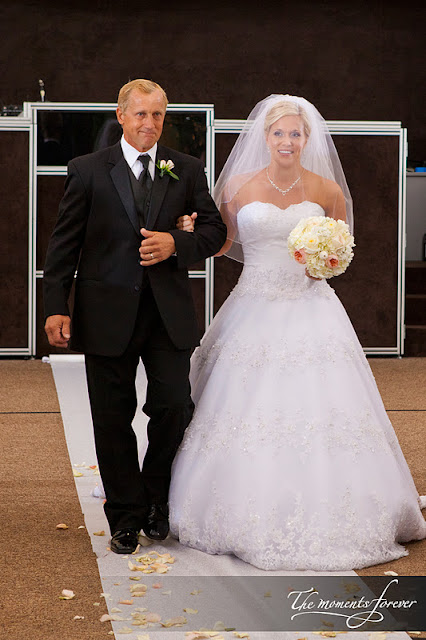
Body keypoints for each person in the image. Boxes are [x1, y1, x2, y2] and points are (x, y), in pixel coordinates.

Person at [169, 94, 426, 571]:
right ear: (264, 137)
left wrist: (324, 263)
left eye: (296, 133)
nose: (287, 141)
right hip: (251, 307)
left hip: (311, 307)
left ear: (308, 139)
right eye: (279, 132)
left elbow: (341, 249)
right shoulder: (238, 186)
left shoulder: (327, 190)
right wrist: (188, 229)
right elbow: (221, 242)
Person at [43, 79, 227, 554]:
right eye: (141, 114)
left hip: (167, 315)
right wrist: (56, 306)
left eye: (158, 115)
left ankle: (155, 499)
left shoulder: (186, 168)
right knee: (111, 417)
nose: (150, 123)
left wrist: (176, 243)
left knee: (174, 406)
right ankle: (125, 516)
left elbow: (213, 230)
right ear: (121, 115)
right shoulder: (86, 170)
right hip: (105, 314)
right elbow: (63, 245)